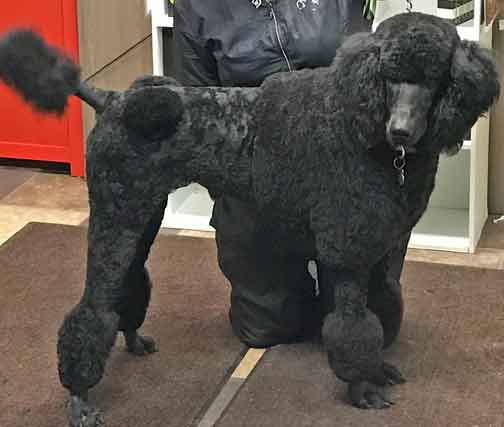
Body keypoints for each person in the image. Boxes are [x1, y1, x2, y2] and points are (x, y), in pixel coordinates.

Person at [173, 0, 404, 348]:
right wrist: (232, 197)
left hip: (349, 171)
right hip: (259, 178)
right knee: (267, 326)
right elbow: (200, 111)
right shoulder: (196, 6)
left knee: (369, 328)